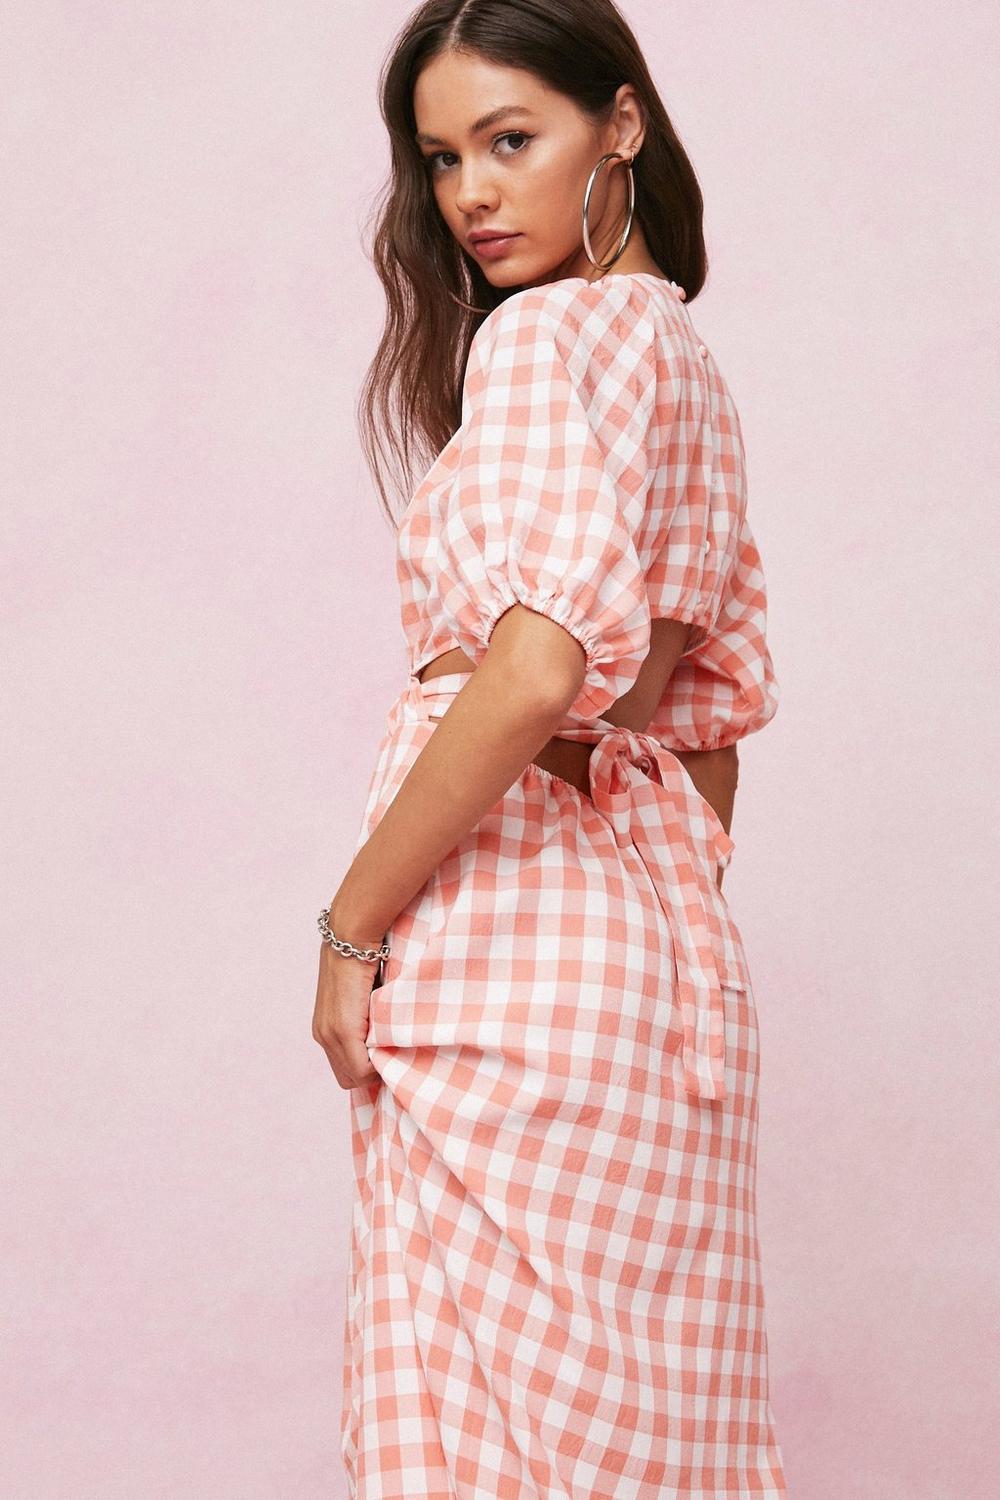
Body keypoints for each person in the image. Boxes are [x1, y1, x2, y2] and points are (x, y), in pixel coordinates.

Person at [312, 2, 789, 1495]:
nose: (472, 193)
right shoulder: (682, 363)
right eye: (444, 157)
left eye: (512, 139)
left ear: (621, 123)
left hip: (507, 948)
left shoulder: (541, 340)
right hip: (656, 976)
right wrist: (639, 909)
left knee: (474, 1444)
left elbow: (534, 669)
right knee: (644, 1440)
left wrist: (352, 927)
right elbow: (709, 726)